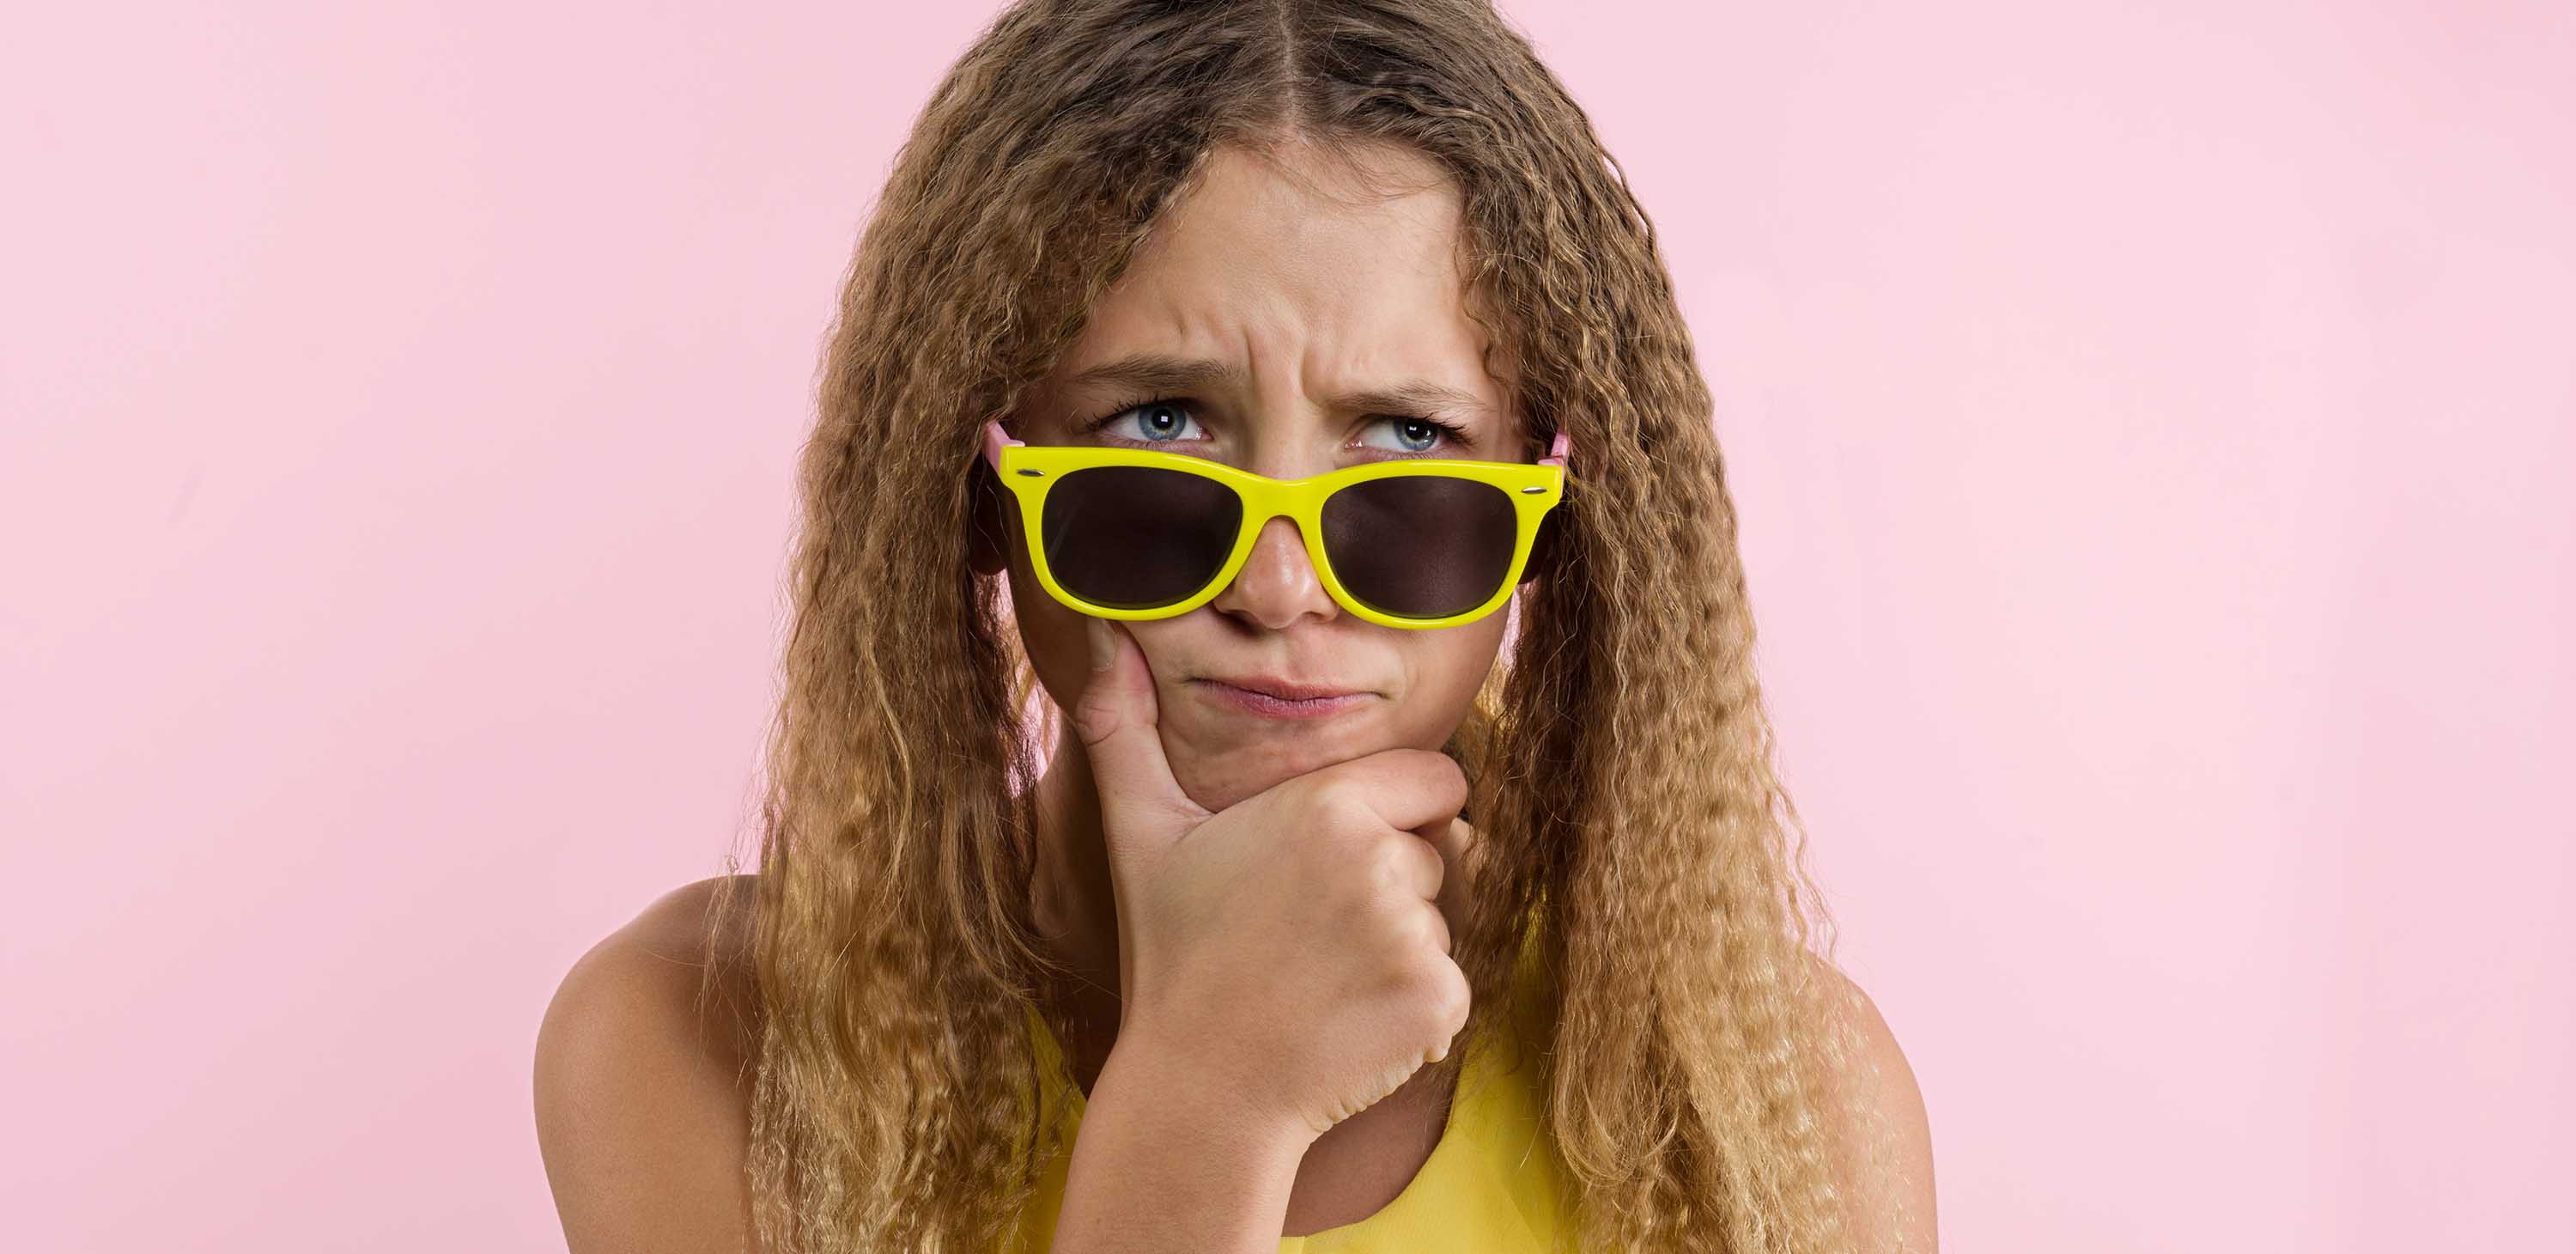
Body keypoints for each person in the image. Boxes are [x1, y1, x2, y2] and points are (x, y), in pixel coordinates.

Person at [534, 1, 1936, 1251]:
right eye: (1160, 426)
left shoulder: (1775, 1098)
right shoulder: (708, 1046)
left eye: (1404, 440)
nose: (1277, 589)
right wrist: (1207, 1102)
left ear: (1548, 531)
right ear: (976, 491)